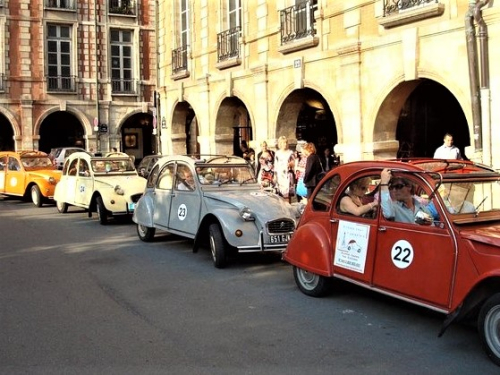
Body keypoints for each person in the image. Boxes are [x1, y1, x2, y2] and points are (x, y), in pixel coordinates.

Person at [274, 136, 296, 202]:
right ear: (280, 144)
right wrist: (275, 175)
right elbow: (276, 165)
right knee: (280, 195)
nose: (285, 144)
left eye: (286, 142)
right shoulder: (277, 153)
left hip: (288, 175)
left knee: (287, 195)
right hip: (280, 175)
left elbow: (294, 163)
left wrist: (290, 164)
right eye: (283, 143)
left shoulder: (290, 153)